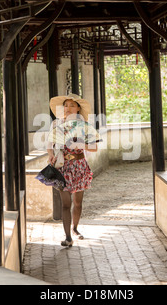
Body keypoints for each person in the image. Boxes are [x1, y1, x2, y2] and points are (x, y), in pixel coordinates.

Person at [46, 93, 99, 247]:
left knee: (78, 203)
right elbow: (50, 145)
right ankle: (68, 237)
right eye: (66, 105)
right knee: (65, 204)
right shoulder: (56, 124)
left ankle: (75, 228)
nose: (68, 108)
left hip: (80, 165)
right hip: (63, 166)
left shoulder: (85, 126)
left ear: (78, 108)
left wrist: (81, 145)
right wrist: (51, 156)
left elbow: (94, 147)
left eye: (71, 105)